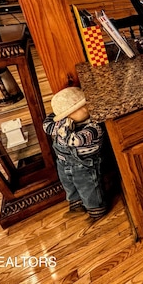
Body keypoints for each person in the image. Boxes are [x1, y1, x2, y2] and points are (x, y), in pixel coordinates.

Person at [44, 86, 107, 220]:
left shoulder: (94, 127)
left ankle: (95, 209)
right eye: (77, 109)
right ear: (66, 115)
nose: (85, 109)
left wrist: (64, 128)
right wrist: (57, 118)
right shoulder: (62, 122)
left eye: (85, 104)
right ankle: (76, 203)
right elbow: (47, 126)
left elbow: (75, 140)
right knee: (68, 183)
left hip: (84, 164)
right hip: (62, 161)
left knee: (88, 186)